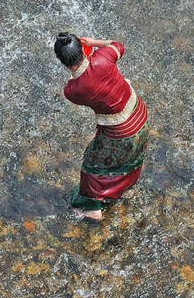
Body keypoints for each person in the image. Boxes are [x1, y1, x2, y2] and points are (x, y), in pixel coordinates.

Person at [54, 32, 149, 221]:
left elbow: (81, 84)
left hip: (121, 131)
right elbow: (118, 45)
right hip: (140, 114)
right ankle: (124, 188)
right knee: (129, 155)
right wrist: (95, 42)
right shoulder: (104, 56)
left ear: (61, 61)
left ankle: (91, 208)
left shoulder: (72, 90)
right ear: (83, 48)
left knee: (93, 163)